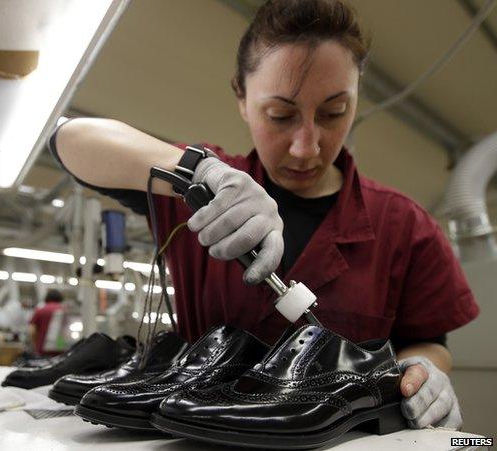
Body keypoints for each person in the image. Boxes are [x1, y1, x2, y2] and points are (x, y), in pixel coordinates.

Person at [50, 0, 479, 430]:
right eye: (280, 115)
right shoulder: (199, 193)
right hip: (197, 435)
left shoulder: (405, 225)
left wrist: (423, 369)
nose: (305, 146)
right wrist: (198, 172)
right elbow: (69, 139)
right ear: (241, 96)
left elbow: (427, 339)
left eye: (334, 112)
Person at [29, 289, 64, 356]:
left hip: (42, 347)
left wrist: (35, 344)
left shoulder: (40, 310)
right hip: (60, 347)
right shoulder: (64, 310)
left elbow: (32, 330)